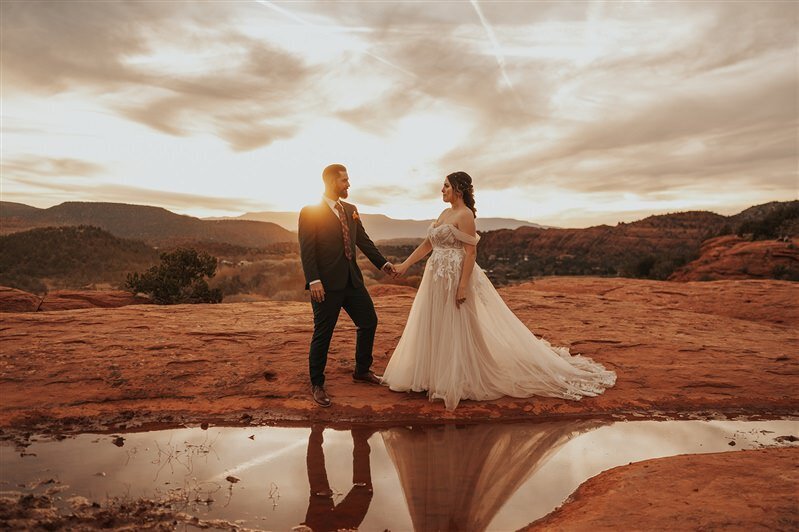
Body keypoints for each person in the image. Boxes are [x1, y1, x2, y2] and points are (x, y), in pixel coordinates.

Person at [382, 171, 616, 410]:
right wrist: (403, 266)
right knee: (435, 322)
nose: (442, 190)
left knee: (456, 323)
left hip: (454, 277)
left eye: (445, 186)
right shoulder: (444, 213)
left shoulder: (465, 215)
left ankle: (457, 377)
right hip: (435, 277)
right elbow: (428, 244)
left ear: (458, 190)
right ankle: (430, 375)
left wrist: (463, 285)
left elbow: (471, 253)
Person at [298, 164, 395, 407]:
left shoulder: (351, 210)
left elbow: (364, 241)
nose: (348, 184)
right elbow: (307, 250)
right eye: (344, 180)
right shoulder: (309, 211)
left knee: (368, 321)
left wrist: (383, 265)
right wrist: (314, 280)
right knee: (323, 333)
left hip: (353, 281)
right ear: (331, 182)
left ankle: (362, 370)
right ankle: (317, 384)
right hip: (326, 285)